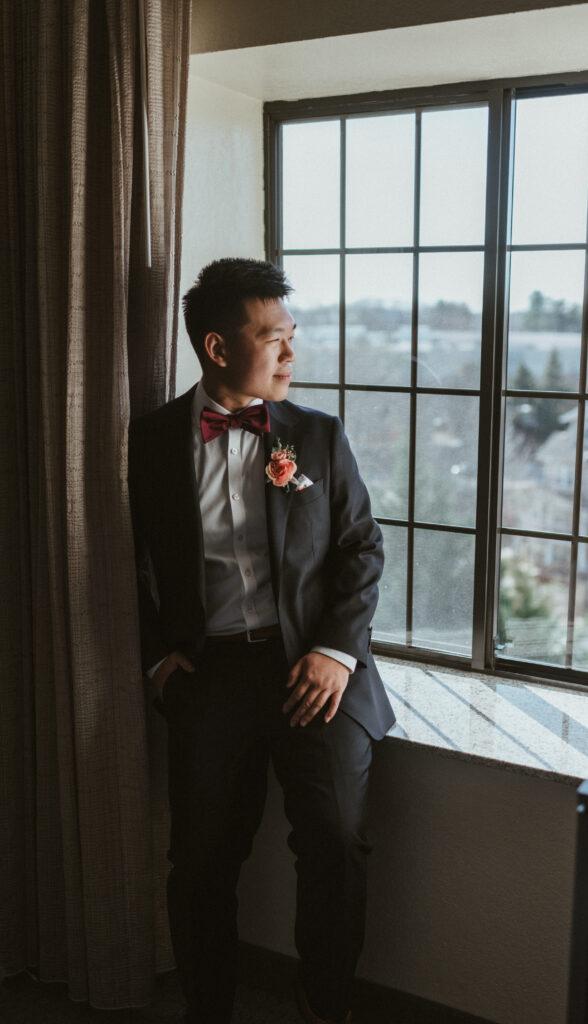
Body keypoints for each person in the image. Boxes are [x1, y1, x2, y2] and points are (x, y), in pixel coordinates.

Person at [128, 257, 395, 1024]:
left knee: (337, 840)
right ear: (218, 348)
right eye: (273, 337)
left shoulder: (317, 434)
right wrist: (158, 660)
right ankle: (207, 1010)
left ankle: (325, 1009)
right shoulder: (147, 442)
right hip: (208, 675)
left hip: (315, 666)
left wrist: (336, 650)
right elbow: (114, 558)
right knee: (202, 860)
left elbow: (363, 548)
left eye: (292, 336)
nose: (290, 354)